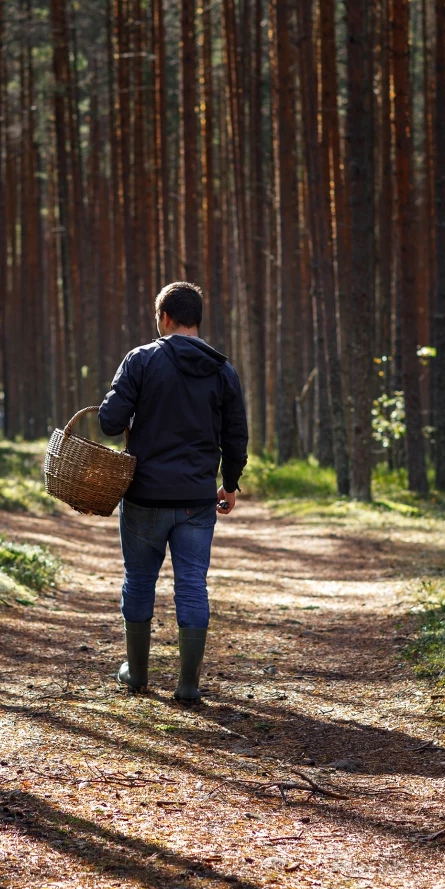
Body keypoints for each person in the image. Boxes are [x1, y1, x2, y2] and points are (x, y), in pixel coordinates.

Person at [97, 282, 249, 702]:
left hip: (144, 497)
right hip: (197, 502)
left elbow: (109, 421)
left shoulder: (141, 360)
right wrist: (230, 485)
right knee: (192, 585)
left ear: (164, 318)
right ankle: (188, 685)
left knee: (140, 580)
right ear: (196, 319)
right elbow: (237, 436)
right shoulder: (222, 369)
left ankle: (138, 676)